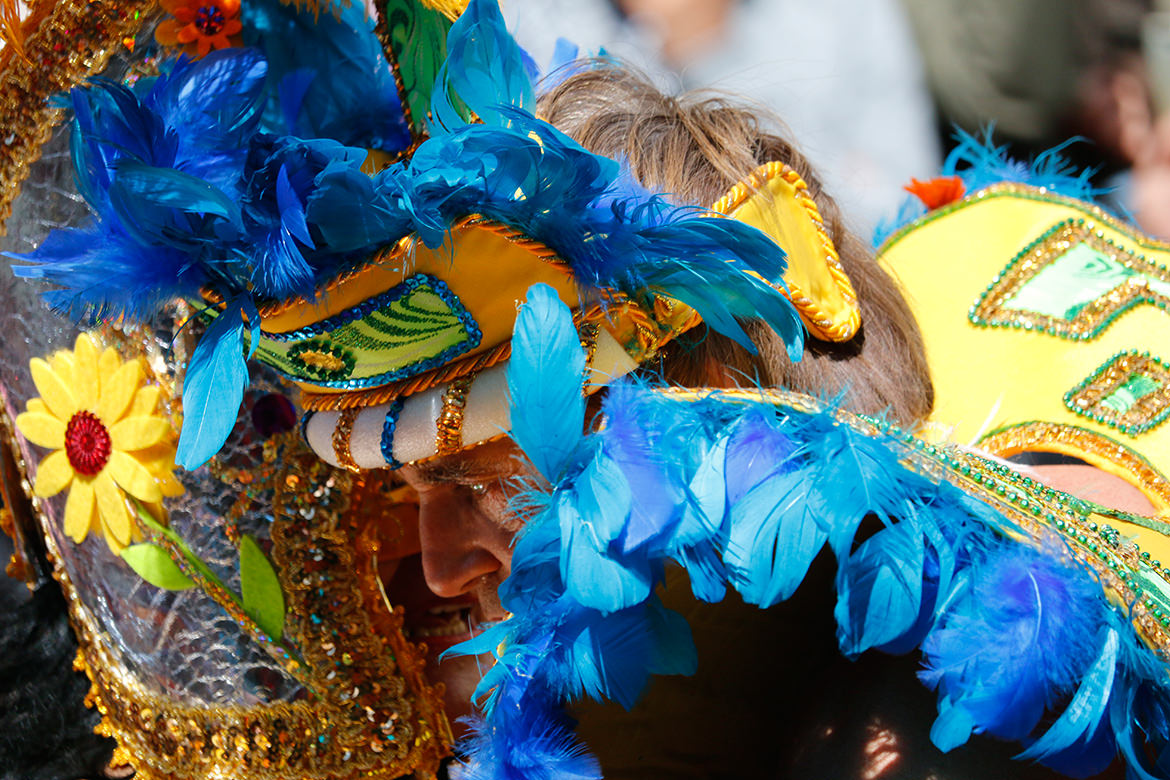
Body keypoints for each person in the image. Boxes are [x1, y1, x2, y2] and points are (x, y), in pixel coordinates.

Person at [4, 2, 1170, 780]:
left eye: (486, 484)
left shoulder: (899, 738)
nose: (437, 561)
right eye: (414, 491)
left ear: (709, 418)